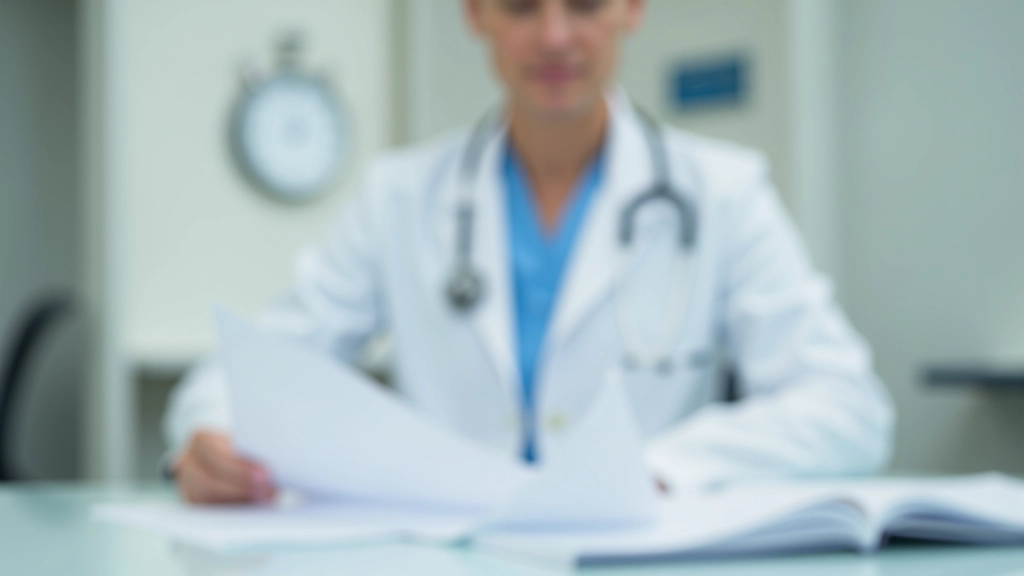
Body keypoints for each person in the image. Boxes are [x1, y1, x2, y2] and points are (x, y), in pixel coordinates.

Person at [165, 0, 894, 504]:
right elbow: (246, 369)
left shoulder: (725, 194)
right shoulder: (400, 197)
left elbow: (849, 408)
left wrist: (663, 468)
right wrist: (210, 435)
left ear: (630, 8)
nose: (553, 37)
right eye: (519, 7)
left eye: (582, 4)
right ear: (474, 14)